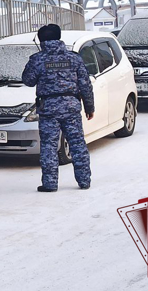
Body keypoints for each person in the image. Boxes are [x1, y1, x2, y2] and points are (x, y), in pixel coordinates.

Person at [21, 24, 95, 192]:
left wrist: (33, 63)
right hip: (71, 107)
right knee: (77, 144)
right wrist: (89, 106)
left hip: (48, 110)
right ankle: (84, 181)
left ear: (41, 41)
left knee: (49, 146)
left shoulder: (37, 59)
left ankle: (50, 184)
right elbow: (85, 85)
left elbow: (28, 80)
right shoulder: (74, 58)